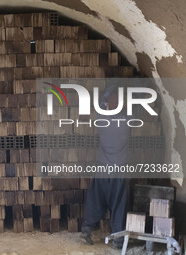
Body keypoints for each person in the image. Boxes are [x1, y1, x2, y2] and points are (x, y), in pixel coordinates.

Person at [80, 86, 130, 249]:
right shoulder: (126, 121)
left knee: (95, 198)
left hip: (102, 166)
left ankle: (87, 229)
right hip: (119, 169)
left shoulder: (101, 118)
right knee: (119, 203)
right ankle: (118, 239)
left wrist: (111, 88)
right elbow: (136, 109)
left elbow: (101, 104)